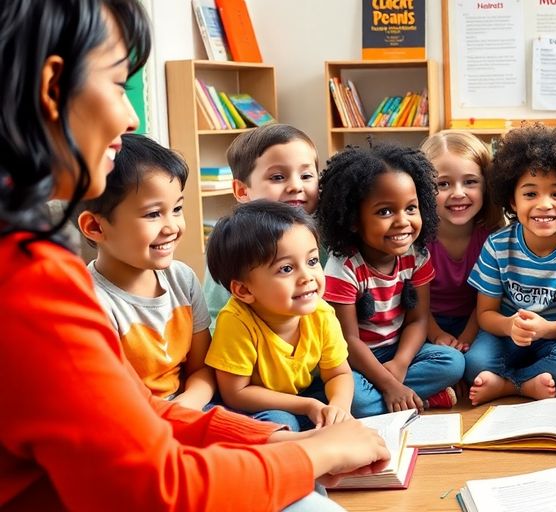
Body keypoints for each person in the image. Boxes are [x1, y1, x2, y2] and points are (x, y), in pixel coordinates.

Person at [0, 1, 388, 510]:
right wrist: (313, 456)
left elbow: (140, 411)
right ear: (53, 88)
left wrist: (273, 442)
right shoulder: (28, 283)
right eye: (119, 84)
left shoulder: (35, 260)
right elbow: (154, 488)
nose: (132, 114)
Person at [318, 144, 465, 418]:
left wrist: (400, 364)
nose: (402, 221)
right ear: (353, 220)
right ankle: (420, 398)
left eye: (411, 208)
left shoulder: (417, 256)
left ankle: (401, 397)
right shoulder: (344, 267)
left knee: (453, 362)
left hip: (398, 351)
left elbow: (418, 320)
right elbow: (347, 340)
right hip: (357, 359)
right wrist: (387, 384)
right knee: (355, 398)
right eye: (385, 212)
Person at [463, 124, 556, 405]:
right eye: (530, 194)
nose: (544, 205)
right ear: (512, 201)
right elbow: (486, 313)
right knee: (474, 362)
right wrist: (510, 326)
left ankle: (507, 385)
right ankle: (527, 385)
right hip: (505, 335)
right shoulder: (497, 245)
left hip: (555, 337)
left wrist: (545, 329)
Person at [77, 133, 215, 410]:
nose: (172, 226)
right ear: (95, 227)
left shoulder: (182, 278)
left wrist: (186, 408)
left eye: (177, 209)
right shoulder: (90, 302)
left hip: (189, 407)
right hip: (135, 422)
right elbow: (114, 401)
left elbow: (203, 370)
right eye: (153, 214)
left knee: (273, 421)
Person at [205, 201, 355, 432]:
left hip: (306, 393)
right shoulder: (236, 321)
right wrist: (307, 406)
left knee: (358, 399)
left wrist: (338, 409)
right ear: (244, 290)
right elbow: (235, 393)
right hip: (256, 403)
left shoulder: (321, 313)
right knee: (280, 422)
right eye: (286, 269)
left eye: (312, 261)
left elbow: (339, 373)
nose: (308, 277)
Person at [204, 123, 321, 332]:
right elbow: (215, 317)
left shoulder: (331, 234)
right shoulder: (234, 243)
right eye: (277, 177)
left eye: (306, 176)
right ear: (242, 190)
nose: (296, 186)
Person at [420, 130, 504, 352]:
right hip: (423, 323)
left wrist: (466, 338)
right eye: (443, 184)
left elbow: (488, 301)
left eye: (470, 182)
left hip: (478, 322)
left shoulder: (493, 237)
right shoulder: (416, 238)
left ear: (486, 186)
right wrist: (435, 334)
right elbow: (413, 302)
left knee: (475, 363)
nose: (458, 193)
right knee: (449, 363)